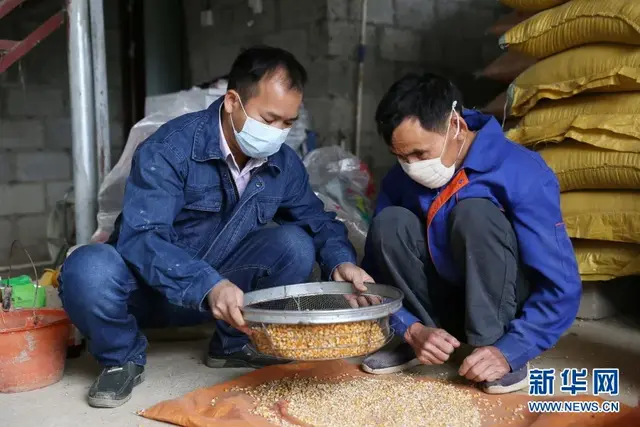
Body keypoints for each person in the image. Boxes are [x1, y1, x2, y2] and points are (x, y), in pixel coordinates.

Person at [59, 45, 373, 408]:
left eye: (288, 123)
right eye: (269, 120)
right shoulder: (170, 149)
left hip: (226, 298)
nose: (277, 133)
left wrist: (340, 261)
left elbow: (316, 221)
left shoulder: (283, 164)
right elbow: (143, 238)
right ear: (232, 101)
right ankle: (121, 357)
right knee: (87, 268)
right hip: (145, 293)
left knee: (295, 243)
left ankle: (234, 344)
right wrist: (208, 284)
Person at [360, 73, 582, 394]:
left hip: (502, 307)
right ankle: (425, 340)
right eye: (401, 157)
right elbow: (376, 271)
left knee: (475, 213)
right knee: (390, 223)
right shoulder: (402, 178)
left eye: (420, 154)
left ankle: (493, 348)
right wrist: (409, 328)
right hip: (440, 303)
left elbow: (560, 284)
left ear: (457, 127)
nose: (411, 166)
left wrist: (512, 349)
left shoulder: (521, 170)